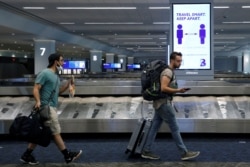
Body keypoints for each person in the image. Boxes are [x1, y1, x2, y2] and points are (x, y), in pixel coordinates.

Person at [20, 53, 82, 165]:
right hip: (46, 108)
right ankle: (67, 156)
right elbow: (36, 88)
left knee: (39, 132)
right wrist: (38, 101)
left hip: (50, 106)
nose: (63, 63)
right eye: (62, 60)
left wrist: (68, 84)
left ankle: (26, 155)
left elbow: (58, 92)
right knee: (55, 131)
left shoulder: (55, 75)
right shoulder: (44, 73)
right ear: (55, 61)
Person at [141, 51, 200, 161]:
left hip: (160, 103)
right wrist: (179, 90)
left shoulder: (169, 71)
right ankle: (184, 152)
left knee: (154, 128)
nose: (180, 63)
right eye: (178, 61)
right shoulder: (167, 72)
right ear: (172, 60)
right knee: (175, 128)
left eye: (181, 61)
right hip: (164, 103)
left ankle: (146, 150)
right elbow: (163, 88)